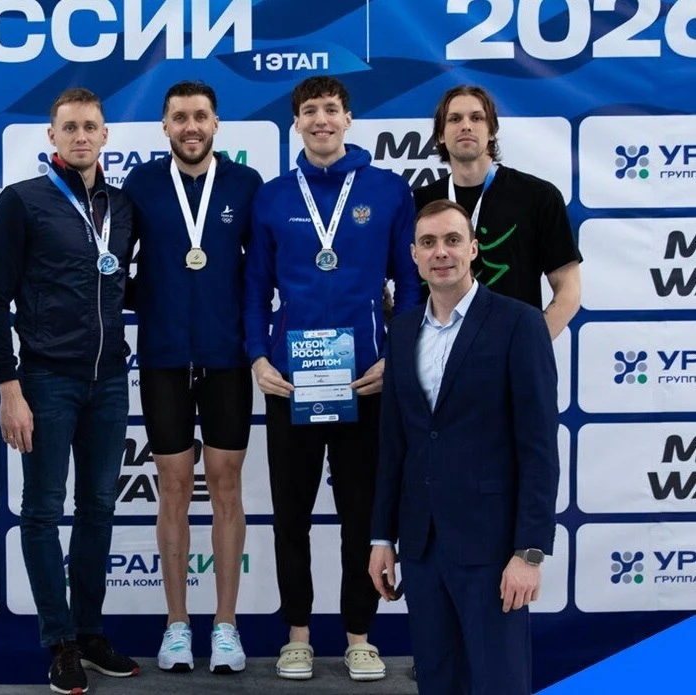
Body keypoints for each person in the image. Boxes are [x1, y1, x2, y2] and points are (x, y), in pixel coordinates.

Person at [243, 75, 420, 682]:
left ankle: (359, 637)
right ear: (296, 123)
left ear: (348, 119)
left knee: (362, 517)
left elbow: (411, 285)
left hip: (365, 381)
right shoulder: (272, 197)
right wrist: (258, 358)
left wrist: (396, 356)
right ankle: (297, 635)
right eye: (310, 110)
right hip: (291, 383)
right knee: (290, 516)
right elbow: (254, 288)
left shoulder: (388, 191)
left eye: (331, 109)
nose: (321, 119)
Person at [0, 88, 138, 694]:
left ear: (105, 135)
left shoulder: (121, 207)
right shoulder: (22, 202)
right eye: (69, 127)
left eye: (90, 126)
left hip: (110, 379)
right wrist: (9, 384)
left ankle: (91, 633)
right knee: (43, 510)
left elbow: (122, 285)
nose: (80, 136)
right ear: (52, 136)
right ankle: (60, 641)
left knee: (98, 508)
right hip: (45, 379)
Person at [369, 200, 560, 695]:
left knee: (499, 682)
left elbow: (539, 447)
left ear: (473, 249)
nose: (441, 252)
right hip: (422, 546)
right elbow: (394, 445)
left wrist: (529, 552)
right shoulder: (402, 330)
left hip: (493, 548)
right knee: (438, 681)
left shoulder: (519, 324)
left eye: (453, 240)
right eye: (428, 243)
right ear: (413, 255)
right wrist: (382, 537)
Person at [121, 80, 263, 674]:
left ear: (216, 122)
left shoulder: (245, 184)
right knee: (174, 489)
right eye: (179, 117)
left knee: (227, 487)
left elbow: (265, 271)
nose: (191, 127)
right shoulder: (141, 185)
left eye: (200, 116)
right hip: (163, 358)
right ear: (164, 125)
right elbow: (112, 265)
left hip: (227, 357)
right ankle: (177, 625)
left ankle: (225, 625)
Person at [413, 84, 581, 340]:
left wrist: (530, 346)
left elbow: (569, 289)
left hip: (512, 350)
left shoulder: (538, 196)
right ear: (440, 136)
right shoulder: (420, 202)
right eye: (455, 119)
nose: (466, 126)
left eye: (477, 118)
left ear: (492, 131)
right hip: (438, 352)